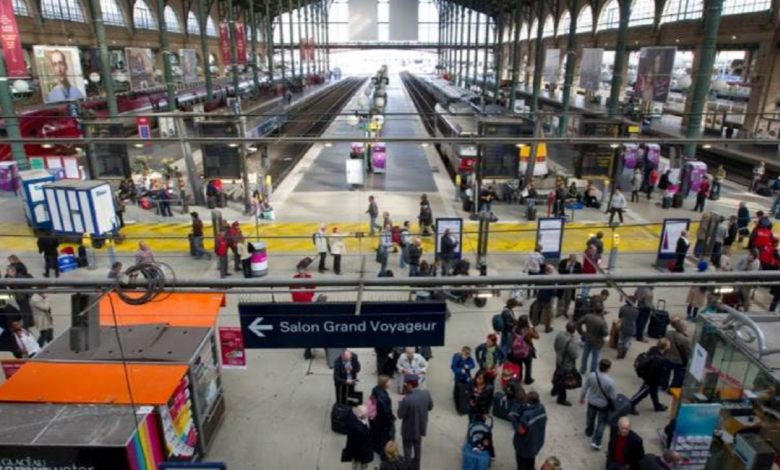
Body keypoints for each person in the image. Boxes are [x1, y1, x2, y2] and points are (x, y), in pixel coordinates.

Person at [397, 374, 434, 470]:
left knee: (407, 450)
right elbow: (430, 407)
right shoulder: (426, 393)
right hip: (420, 428)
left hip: (408, 430)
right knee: (418, 449)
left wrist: (401, 403)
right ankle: (417, 467)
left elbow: (400, 415)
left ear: (409, 385)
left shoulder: (406, 399)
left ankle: (408, 467)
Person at [580, 359, 618, 451]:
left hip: (592, 402)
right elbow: (613, 397)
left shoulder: (592, 376)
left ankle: (589, 431)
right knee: (601, 423)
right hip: (603, 405)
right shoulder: (610, 382)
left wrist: (582, 398)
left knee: (590, 418)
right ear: (608, 368)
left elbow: (585, 388)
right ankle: (596, 442)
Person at [511, 391, 547, 470]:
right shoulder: (542, 407)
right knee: (531, 459)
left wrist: (513, 419)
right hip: (536, 442)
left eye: (526, 398)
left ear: (529, 401)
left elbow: (521, 431)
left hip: (525, 446)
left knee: (522, 463)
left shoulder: (527, 415)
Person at [631, 339, 669, 413]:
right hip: (651, 380)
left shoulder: (653, 349)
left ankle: (657, 405)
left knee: (653, 392)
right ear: (665, 347)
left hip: (649, 377)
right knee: (642, 393)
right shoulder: (659, 360)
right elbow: (654, 373)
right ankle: (631, 404)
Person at [552, 322, 580, 406]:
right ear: (574, 330)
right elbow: (575, 355)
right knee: (563, 381)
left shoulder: (560, 335)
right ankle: (561, 399)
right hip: (567, 364)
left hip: (559, 360)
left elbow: (555, 346)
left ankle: (554, 389)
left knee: (557, 375)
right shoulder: (571, 341)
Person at [370, 376, 396, 461]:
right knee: (385, 437)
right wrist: (391, 419)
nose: (390, 383)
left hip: (375, 418)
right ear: (384, 384)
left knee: (377, 435)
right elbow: (386, 412)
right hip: (383, 421)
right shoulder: (384, 397)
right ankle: (383, 454)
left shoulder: (375, 389)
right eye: (388, 382)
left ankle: (375, 447)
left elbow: (372, 401)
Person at [576, 308, 608, 374]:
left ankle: (582, 369)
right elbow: (605, 333)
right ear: (601, 312)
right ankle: (592, 372)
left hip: (588, 339)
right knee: (595, 358)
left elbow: (578, 323)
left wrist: (582, 333)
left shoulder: (588, 316)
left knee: (585, 355)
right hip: (597, 342)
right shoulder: (602, 321)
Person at [509, 316, 539, 385]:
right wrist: (533, 328)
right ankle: (527, 380)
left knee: (518, 365)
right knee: (528, 365)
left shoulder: (515, 329)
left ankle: (518, 378)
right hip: (527, 351)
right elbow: (537, 336)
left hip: (516, 351)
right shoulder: (529, 331)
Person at [343, 405, 374, 470]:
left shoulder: (351, 420)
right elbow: (368, 443)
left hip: (353, 450)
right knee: (362, 466)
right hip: (362, 453)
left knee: (354, 462)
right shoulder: (364, 429)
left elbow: (348, 413)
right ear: (364, 416)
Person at [664, 317, 691, 390]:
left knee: (666, 373)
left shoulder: (669, 333)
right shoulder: (684, 339)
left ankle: (664, 386)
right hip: (678, 361)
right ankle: (672, 389)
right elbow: (688, 352)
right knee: (677, 376)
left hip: (667, 356)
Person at [557, 254, 582, 318]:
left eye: (574, 260)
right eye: (572, 260)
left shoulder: (578, 264)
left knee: (568, 298)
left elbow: (579, 273)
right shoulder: (563, 262)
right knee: (561, 297)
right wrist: (567, 268)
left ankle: (565, 311)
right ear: (569, 259)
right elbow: (560, 271)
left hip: (571, 283)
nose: (573, 262)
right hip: (563, 282)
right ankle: (559, 311)